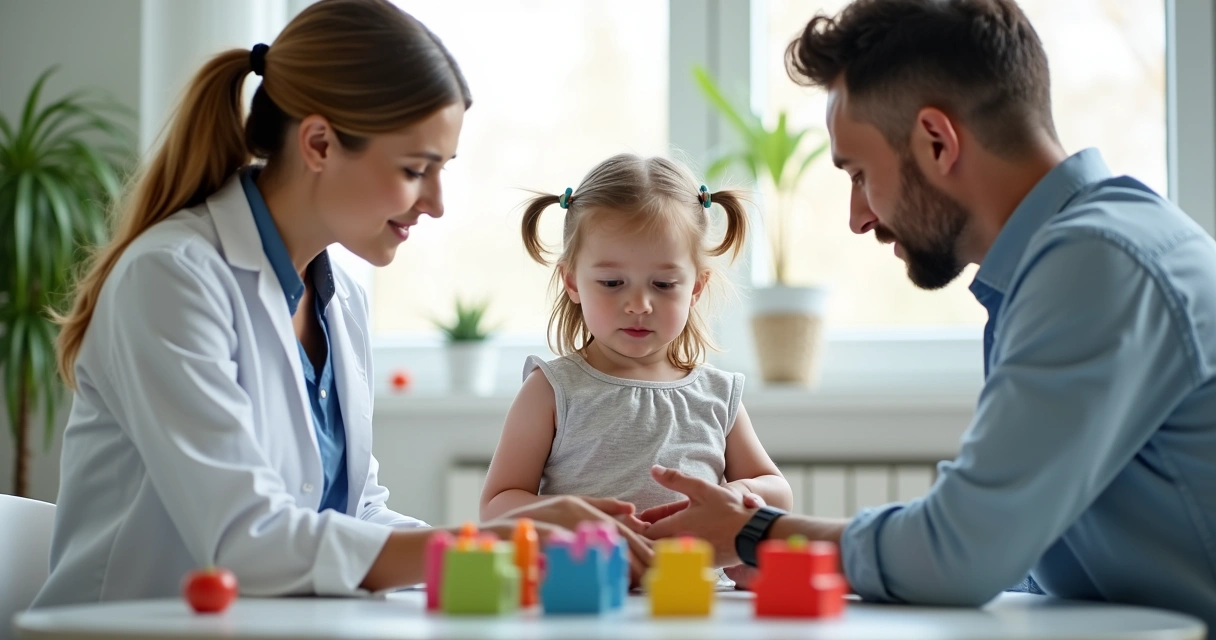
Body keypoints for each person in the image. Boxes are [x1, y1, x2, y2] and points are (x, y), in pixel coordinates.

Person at [36, 0, 648, 608]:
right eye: (416, 169)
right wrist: (495, 538)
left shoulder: (339, 297)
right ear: (320, 143)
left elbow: (355, 512)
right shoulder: (172, 279)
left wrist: (502, 556)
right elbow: (247, 540)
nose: (435, 203)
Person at [641, 0, 1216, 630]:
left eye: (859, 173)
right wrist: (818, 558)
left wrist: (757, 532)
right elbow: (1022, 557)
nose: (857, 217)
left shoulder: (1096, 266)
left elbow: (960, 553)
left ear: (937, 141)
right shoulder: (1084, 254)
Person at [479, 154, 793, 582]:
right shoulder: (552, 390)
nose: (639, 304)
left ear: (696, 287)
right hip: (585, 599)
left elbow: (777, 491)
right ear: (572, 281)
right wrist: (565, 519)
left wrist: (740, 494)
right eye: (612, 283)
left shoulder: (718, 395)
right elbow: (496, 504)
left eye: (664, 285)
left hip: (696, 603)